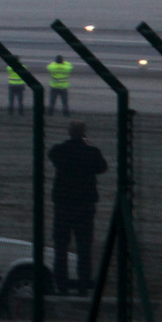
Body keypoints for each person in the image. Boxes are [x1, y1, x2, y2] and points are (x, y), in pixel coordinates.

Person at [48, 120, 107, 294]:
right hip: (85, 205)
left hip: (63, 204)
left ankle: (62, 283)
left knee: (60, 246)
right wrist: (87, 144)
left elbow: (52, 156)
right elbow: (102, 167)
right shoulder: (92, 152)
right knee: (84, 247)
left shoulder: (59, 150)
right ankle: (83, 284)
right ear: (84, 133)